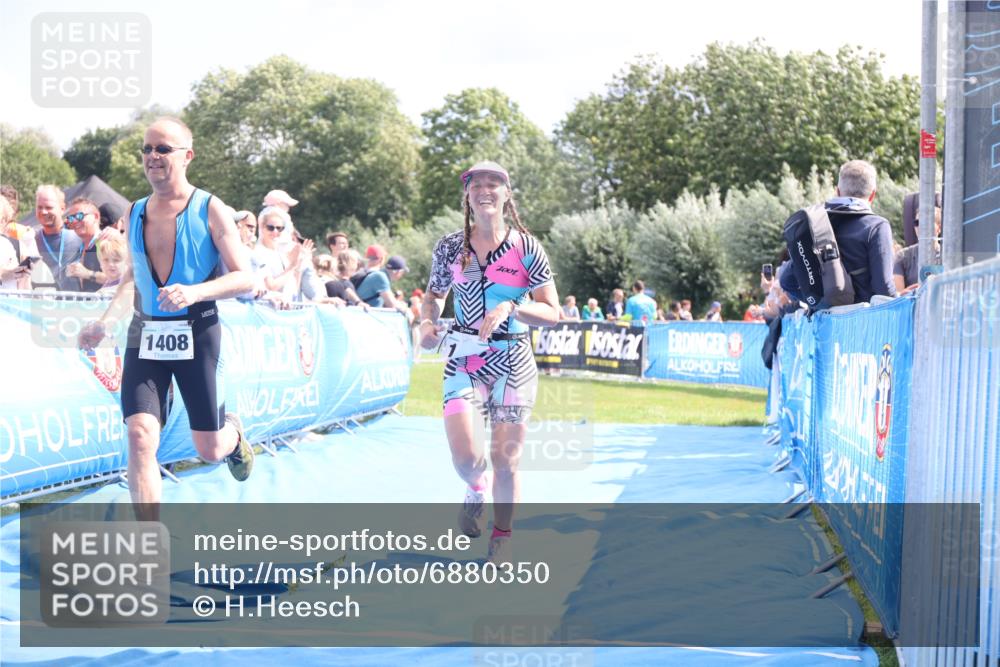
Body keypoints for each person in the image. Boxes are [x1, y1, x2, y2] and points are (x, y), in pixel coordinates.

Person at [77, 116, 255, 522]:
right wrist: (104, 322)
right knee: (140, 436)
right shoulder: (135, 211)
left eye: (163, 149)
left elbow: (246, 277)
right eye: (147, 149)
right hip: (146, 335)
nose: (152, 156)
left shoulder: (210, 209)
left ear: (187, 156)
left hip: (198, 332)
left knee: (209, 449)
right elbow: (132, 277)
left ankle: (234, 434)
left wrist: (195, 292)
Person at [418, 161, 560, 565]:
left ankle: (502, 535)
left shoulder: (527, 248)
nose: (485, 190)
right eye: (476, 184)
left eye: (493, 183)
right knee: (467, 460)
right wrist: (427, 323)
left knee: (506, 460)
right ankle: (475, 488)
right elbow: (433, 296)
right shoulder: (450, 247)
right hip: (464, 359)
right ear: (467, 195)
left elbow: (552, 311)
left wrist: (512, 307)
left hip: (514, 360)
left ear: (506, 194)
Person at [781, 159, 897, 304]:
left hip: (826, 317)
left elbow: (786, 280)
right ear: (873, 195)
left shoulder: (817, 224)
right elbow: (884, 288)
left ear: (838, 191)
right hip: (863, 315)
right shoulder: (877, 226)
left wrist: (818, 303)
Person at [33, 185, 83, 291]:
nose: (43, 212)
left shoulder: (79, 236)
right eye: (39, 207)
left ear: (62, 209)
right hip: (43, 299)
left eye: (49, 207)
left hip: (74, 300)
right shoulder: (32, 239)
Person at [894, 205, 942, 295]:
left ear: (939, 228)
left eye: (926, 222)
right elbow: (898, 295)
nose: (920, 226)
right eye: (917, 222)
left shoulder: (949, 256)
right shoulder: (902, 256)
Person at [356, 252, 413, 320]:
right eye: (402, 272)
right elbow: (392, 305)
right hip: (360, 317)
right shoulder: (381, 277)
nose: (402, 275)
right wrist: (407, 310)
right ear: (398, 272)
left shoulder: (381, 274)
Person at [63, 197, 105, 292]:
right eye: (71, 218)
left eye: (79, 216)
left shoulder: (107, 242)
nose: (74, 221)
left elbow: (120, 279)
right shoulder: (75, 247)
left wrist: (87, 274)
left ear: (96, 217)